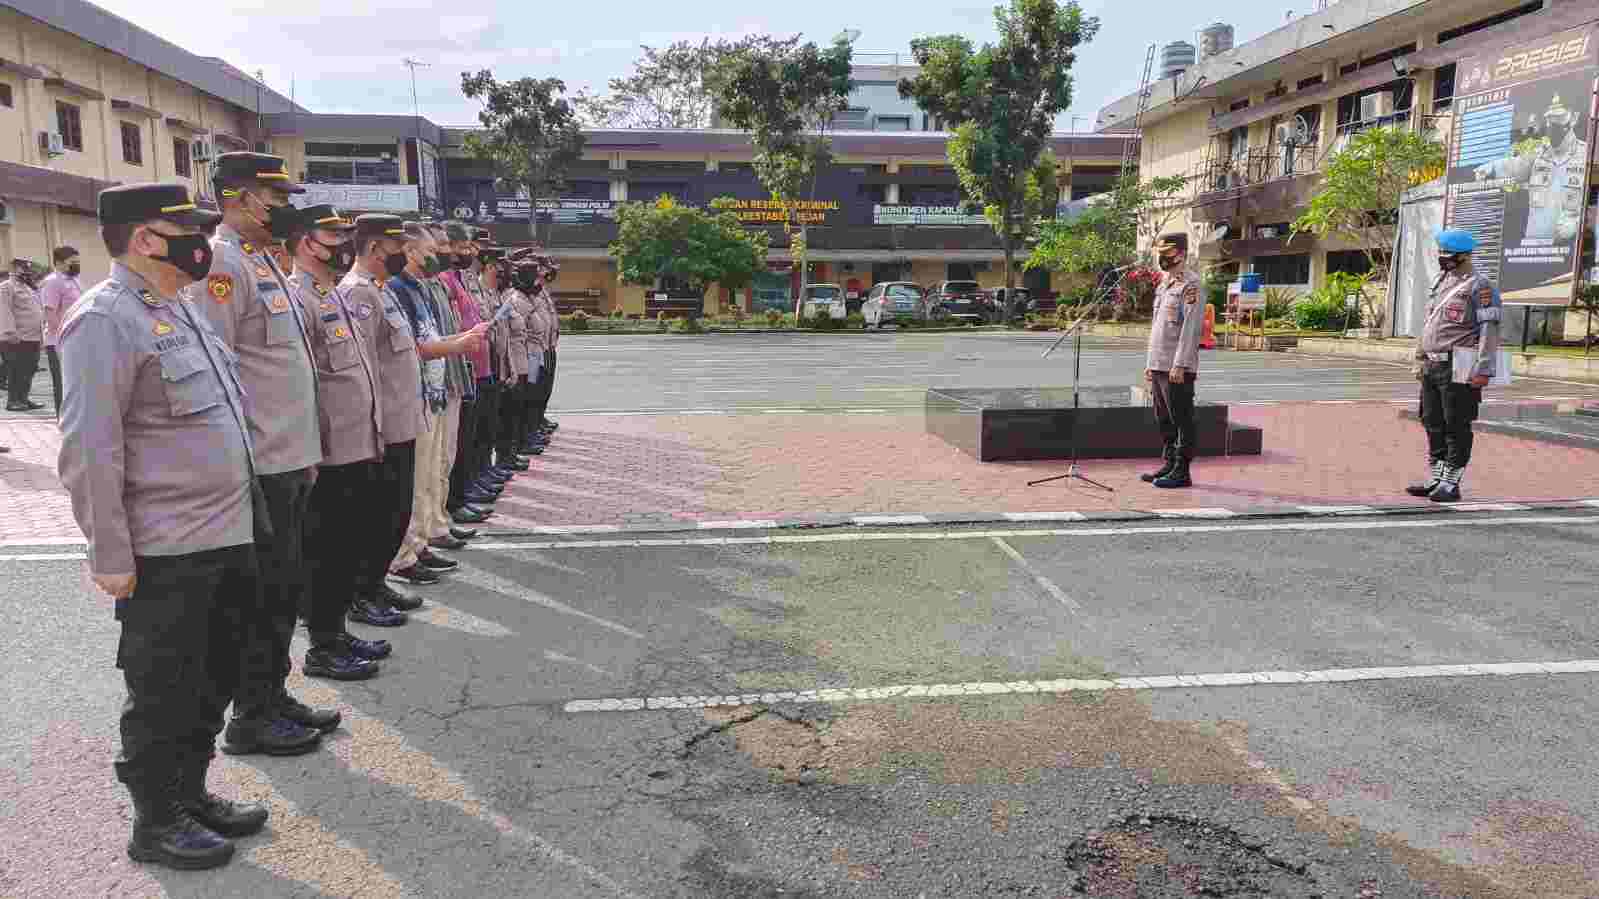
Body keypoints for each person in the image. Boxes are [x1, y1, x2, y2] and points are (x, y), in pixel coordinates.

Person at [58, 182, 268, 870]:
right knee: (164, 685)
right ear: (146, 238)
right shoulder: (103, 318)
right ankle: (155, 818)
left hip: (226, 531)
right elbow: (90, 447)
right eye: (184, 230)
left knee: (215, 673)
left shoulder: (178, 305)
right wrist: (109, 552)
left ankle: (191, 791)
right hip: (167, 547)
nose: (198, 240)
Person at [184, 151, 328, 755]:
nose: (283, 208)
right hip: (261, 461)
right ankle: (252, 715)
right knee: (261, 595)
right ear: (239, 197)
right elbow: (218, 366)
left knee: (284, 589)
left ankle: (273, 693)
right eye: (274, 197)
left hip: (291, 454)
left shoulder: (263, 261)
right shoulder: (222, 263)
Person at [283, 204, 386, 680]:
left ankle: (336, 630)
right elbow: (302, 382)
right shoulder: (298, 295)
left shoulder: (331, 294)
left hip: (357, 442)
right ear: (307, 242)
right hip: (329, 451)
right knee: (324, 551)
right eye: (334, 236)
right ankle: (322, 644)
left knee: (346, 546)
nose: (345, 245)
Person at [385, 223, 487, 586]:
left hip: (436, 389)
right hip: (417, 394)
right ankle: (405, 553)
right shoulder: (397, 289)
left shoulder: (419, 288)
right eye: (433, 249)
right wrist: (458, 344)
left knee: (432, 471)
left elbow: (432, 336)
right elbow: (416, 346)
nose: (439, 255)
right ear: (411, 252)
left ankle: (424, 538)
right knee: (416, 480)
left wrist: (462, 338)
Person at [342, 214, 423, 628]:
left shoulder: (381, 290)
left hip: (402, 421)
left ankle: (376, 582)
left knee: (396, 512)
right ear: (375, 249)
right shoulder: (357, 293)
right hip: (382, 427)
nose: (404, 255)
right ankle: (362, 592)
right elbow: (363, 367)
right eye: (398, 248)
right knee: (377, 517)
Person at [1406, 228, 1502, 503]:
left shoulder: (1480, 286)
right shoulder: (1441, 281)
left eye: (1448, 255)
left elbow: (1489, 329)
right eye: (1441, 253)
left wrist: (1483, 368)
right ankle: (1437, 476)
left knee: (1456, 424)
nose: (1443, 259)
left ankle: (1451, 482)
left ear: (1464, 256)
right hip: (1432, 365)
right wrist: (1419, 357)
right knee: (1431, 421)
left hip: (1459, 364)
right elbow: (1430, 325)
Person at [1475, 94, 1588, 243]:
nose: (1552, 124)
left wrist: (1578, 222)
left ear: (1574, 118)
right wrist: (1492, 168)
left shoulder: (1587, 155)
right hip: (1535, 245)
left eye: (1559, 117)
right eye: (1550, 118)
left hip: (1568, 250)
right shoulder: (1540, 154)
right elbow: (1517, 165)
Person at [1141, 239, 1205, 489]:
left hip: (1176, 368)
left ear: (1181, 254)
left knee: (1181, 419)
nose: (1163, 258)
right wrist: (1150, 362)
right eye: (1160, 253)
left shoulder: (1191, 285)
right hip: (1159, 363)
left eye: (1167, 253)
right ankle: (1168, 463)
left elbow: (1190, 328)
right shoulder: (1165, 284)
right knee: (1163, 418)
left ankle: (1182, 470)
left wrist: (1180, 364)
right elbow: (1158, 327)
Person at [38, 246, 82, 415]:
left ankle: (76, 417)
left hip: (76, 339)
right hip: (59, 341)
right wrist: (64, 337)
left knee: (76, 383)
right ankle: (63, 419)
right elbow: (50, 313)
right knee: (63, 383)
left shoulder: (75, 280)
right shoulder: (52, 282)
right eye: (73, 263)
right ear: (59, 263)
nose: (77, 265)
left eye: (78, 262)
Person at [0, 258, 46, 411]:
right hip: (17, 337)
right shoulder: (6, 287)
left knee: (30, 369)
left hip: (33, 336)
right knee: (16, 370)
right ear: (14, 269)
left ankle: (23, 399)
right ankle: (13, 401)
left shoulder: (28, 287)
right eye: (24, 268)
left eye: (28, 268)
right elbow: (4, 310)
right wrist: (10, 331)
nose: (27, 271)